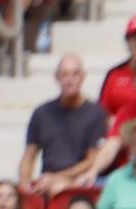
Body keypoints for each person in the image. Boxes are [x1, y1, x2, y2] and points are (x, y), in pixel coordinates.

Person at [21, 55, 109, 195]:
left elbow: (92, 160)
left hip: (80, 181)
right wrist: (24, 183)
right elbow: (29, 155)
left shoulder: (96, 113)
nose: (70, 80)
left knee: (59, 188)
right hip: (47, 180)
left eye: (75, 74)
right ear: (56, 77)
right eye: (64, 74)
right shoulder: (41, 113)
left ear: (83, 77)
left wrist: (57, 178)